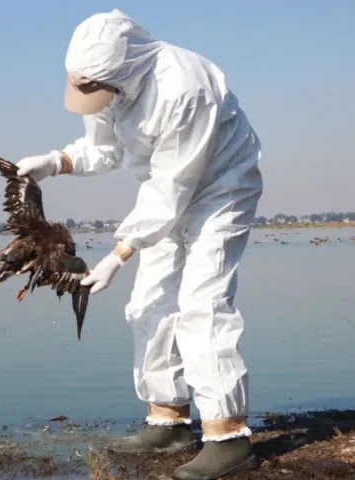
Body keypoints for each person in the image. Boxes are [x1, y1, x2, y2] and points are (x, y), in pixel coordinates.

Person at [16, 10, 263, 480]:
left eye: (93, 87)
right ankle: (167, 420)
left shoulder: (184, 87)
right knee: (149, 303)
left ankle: (228, 436)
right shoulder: (114, 82)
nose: (89, 95)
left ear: (123, 67)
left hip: (220, 187)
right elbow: (107, 149)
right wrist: (56, 161)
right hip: (164, 192)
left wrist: (118, 254)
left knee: (201, 304)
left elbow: (174, 187)